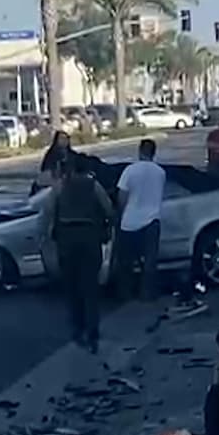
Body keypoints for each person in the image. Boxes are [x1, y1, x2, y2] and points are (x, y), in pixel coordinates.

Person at [45, 153, 114, 353]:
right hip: (89, 238)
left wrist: (50, 233)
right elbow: (108, 209)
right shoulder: (94, 186)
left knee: (72, 288)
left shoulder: (60, 186)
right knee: (90, 288)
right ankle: (93, 332)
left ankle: (77, 330)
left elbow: (49, 210)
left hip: (67, 240)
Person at [115, 139, 166, 301]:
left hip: (130, 222)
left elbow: (122, 196)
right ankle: (147, 294)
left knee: (126, 262)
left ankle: (126, 293)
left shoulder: (129, 171)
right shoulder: (160, 172)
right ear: (153, 152)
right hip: (152, 220)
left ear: (140, 151)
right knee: (150, 261)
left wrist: (119, 214)